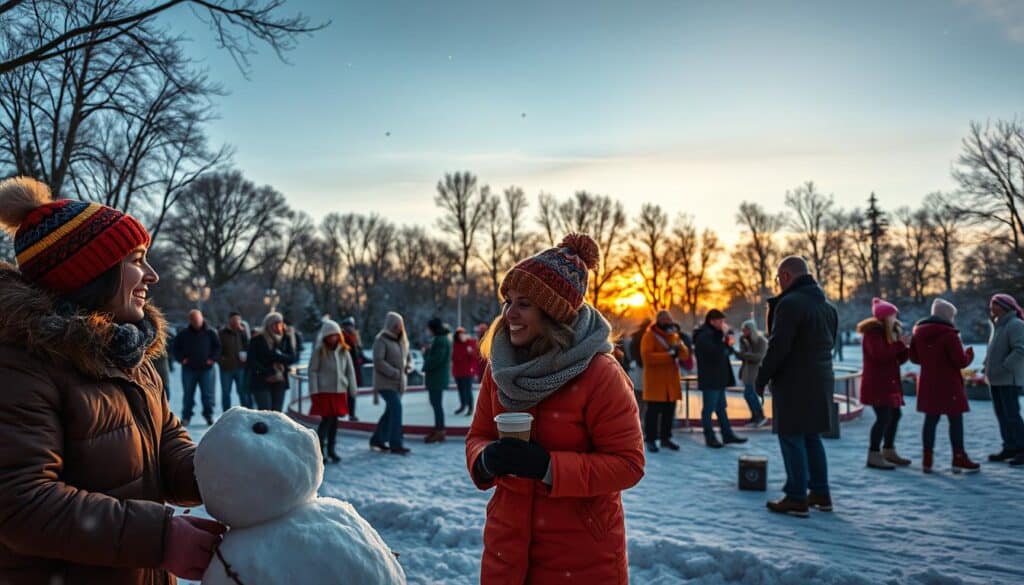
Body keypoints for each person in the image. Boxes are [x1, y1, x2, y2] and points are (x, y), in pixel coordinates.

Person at [0, 177, 225, 583]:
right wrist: (160, 538)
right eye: (137, 259)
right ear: (88, 273)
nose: (151, 275)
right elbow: (20, 503)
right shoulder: (18, 365)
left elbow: (166, 441)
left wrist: (224, 475)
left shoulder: (126, 351)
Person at [466, 233, 644, 584]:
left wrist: (549, 468)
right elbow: (478, 436)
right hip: (508, 545)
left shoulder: (600, 374)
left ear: (553, 313)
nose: (508, 314)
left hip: (580, 555)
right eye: (508, 301)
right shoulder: (500, 368)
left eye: (524, 304)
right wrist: (485, 459)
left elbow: (629, 464)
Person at [755, 256, 838, 517]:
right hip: (821, 380)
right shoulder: (827, 308)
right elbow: (829, 344)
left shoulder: (790, 304)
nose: (778, 284)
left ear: (787, 276)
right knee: (812, 436)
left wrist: (762, 377)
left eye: (779, 279)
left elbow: (779, 347)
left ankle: (796, 496)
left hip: (794, 383)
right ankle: (820, 492)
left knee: (791, 437)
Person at [909, 298, 979, 473]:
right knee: (955, 420)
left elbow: (915, 358)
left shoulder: (918, 333)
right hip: (949, 384)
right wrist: (969, 354)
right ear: (947, 316)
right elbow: (960, 361)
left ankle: (927, 460)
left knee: (930, 421)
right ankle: (958, 458)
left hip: (928, 384)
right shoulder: (949, 334)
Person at [859, 297, 912, 470]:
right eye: (893, 315)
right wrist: (899, 345)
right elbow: (880, 355)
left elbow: (895, 359)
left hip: (888, 383)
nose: (895, 318)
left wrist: (905, 348)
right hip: (877, 384)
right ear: (884, 317)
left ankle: (888, 450)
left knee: (895, 415)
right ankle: (873, 454)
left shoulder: (889, 332)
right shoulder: (872, 333)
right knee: (883, 417)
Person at [693, 309, 747, 448]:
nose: (723, 324)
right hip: (711, 378)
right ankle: (710, 437)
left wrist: (727, 343)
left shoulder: (714, 335)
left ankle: (727, 434)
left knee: (721, 408)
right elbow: (715, 354)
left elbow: (726, 352)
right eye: (721, 321)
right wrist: (724, 343)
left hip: (718, 378)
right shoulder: (704, 336)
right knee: (709, 409)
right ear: (712, 321)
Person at [308, 319, 357, 464]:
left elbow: (350, 371)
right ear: (325, 337)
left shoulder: (344, 350)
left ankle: (331, 449)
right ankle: (319, 451)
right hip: (324, 392)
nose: (333, 338)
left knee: (335, 422)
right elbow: (313, 371)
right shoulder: (319, 351)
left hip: (339, 391)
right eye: (330, 335)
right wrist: (314, 390)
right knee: (326, 421)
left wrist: (352, 389)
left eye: (335, 335)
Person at [640, 310, 689, 452]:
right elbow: (647, 357)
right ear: (659, 321)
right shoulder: (649, 336)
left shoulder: (673, 336)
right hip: (656, 383)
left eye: (670, 319)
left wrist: (679, 348)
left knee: (669, 413)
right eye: (665, 320)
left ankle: (665, 438)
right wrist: (669, 355)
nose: (668, 322)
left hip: (671, 384)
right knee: (653, 414)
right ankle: (650, 439)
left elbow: (684, 355)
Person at [984, 293, 1024, 466]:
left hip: (1009, 379)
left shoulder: (1015, 324)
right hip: (996, 380)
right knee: (1002, 415)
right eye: (991, 304)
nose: (991, 308)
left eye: (995, 304)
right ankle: (1010, 446)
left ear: (1005, 306)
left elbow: (1021, 349)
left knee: (1012, 415)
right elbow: (994, 351)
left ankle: (1022, 449)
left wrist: (1004, 367)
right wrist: (987, 364)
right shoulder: (998, 326)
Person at [370, 311, 412, 455]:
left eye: (401, 325)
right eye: (397, 325)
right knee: (396, 409)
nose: (399, 328)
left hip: (399, 384)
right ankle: (396, 443)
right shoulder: (381, 340)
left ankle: (377, 439)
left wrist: (408, 366)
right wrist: (394, 372)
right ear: (390, 325)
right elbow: (378, 361)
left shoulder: (402, 341)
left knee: (390, 412)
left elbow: (407, 357)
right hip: (385, 383)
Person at [173, 309, 222, 426]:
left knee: (208, 394)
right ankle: (186, 417)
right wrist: (181, 359)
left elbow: (218, 347)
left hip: (207, 369)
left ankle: (208, 415)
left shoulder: (211, 332)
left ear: (202, 318)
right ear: (190, 320)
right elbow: (175, 348)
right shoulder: (183, 333)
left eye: (197, 319)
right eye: (193, 320)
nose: (196, 322)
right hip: (189, 369)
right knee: (188, 394)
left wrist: (212, 359)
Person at [248, 312, 298, 412]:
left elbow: (292, 358)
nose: (279, 326)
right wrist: (267, 373)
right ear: (269, 325)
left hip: (280, 379)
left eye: (280, 323)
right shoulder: (257, 339)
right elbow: (252, 361)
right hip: (262, 379)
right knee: (265, 411)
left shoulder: (286, 338)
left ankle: (275, 428)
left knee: (277, 412)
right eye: (275, 324)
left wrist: (277, 356)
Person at [423, 317, 453, 443]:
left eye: (429, 328)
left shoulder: (440, 340)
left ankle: (440, 431)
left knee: (436, 405)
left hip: (437, 378)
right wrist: (427, 352)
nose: (427, 331)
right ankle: (438, 429)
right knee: (436, 404)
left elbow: (437, 358)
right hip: (437, 377)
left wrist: (425, 365)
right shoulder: (441, 339)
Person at [736, 319, 769, 427]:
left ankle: (760, 416)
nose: (743, 332)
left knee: (750, 394)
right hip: (746, 372)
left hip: (756, 372)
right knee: (748, 395)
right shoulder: (744, 340)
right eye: (742, 330)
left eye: (745, 330)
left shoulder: (761, 341)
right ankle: (755, 416)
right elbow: (740, 354)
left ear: (751, 330)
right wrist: (744, 349)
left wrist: (745, 355)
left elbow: (758, 357)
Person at [218, 311, 251, 410]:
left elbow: (249, 346)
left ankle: (247, 413)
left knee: (243, 392)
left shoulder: (243, 332)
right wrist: (222, 361)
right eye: (234, 320)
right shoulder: (222, 333)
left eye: (238, 320)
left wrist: (243, 333)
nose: (236, 322)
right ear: (229, 320)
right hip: (226, 368)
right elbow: (217, 349)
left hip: (241, 367)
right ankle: (226, 414)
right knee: (226, 393)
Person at [341, 316, 365, 420]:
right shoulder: (344, 338)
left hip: (354, 369)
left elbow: (359, 355)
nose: (350, 328)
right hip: (347, 370)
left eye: (351, 326)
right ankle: (349, 414)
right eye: (348, 326)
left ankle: (351, 414)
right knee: (348, 393)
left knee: (351, 393)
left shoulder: (354, 338)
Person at [452, 326, 479, 415]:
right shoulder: (455, 344)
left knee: (468, 390)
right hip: (458, 371)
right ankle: (463, 405)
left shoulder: (471, 342)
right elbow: (454, 357)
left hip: (468, 371)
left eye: (462, 334)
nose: (461, 336)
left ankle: (470, 408)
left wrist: (470, 352)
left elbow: (475, 356)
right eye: (459, 335)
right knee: (461, 390)